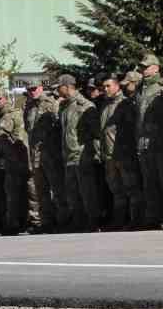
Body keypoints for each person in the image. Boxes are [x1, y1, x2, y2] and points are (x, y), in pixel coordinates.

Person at [135, 53, 163, 230]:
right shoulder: (140, 89)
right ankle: (153, 216)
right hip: (144, 143)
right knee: (149, 182)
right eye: (142, 67)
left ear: (156, 68)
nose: (143, 70)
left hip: (162, 142)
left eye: (146, 67)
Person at [97, 75, 141, 229]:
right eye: (104, 87)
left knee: (132, 189)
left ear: (117, 86)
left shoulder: (125, 104)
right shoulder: (105, 105)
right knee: (117, 190)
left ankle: (136, 220)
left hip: (123, 154)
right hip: (109, 156)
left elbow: (131, 130)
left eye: (108, 86)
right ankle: (119, 221)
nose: (105, 89)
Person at [55, 74, 98, 230]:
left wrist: (94, 154)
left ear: (67, 86)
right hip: (68, 156)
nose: (57, 91)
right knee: (72, 192)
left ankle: (92, 220)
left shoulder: (85, 106)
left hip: (82, 155)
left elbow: (95, 133)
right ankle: (77, 221)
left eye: (59, 87)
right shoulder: (64, 107)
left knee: (87, 191)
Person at [22, 80, 62, 233]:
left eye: (34, 88)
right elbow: (28, 129)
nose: (32, 91)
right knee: (40, 191)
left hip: (50, 154)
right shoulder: (29, 107)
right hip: (35, 155)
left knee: (56, 189)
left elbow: (59, 127)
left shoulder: (51, 103)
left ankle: (63, 220)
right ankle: (46, 222)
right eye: (29, 89)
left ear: (40, 88)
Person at [0, 89, 31, 235]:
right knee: (11, 193)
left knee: (23, 193)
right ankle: (13, 223)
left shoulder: (15, 115)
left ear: (7, 99)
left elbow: (18, 138)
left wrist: (17, 158)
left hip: (18, 160)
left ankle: (25, 223)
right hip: (7, 162)